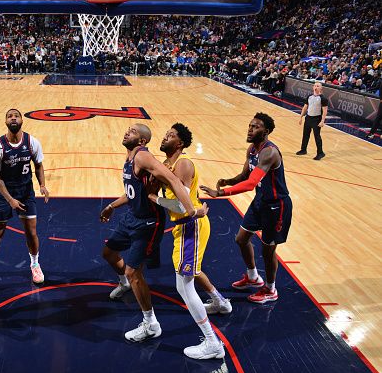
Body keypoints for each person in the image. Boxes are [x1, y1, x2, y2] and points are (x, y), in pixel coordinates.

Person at [99, 123, 208, 343]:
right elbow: (131, 193)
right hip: (132, 217)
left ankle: (151, 324)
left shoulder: (142, 157)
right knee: (109, 254)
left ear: (142, 141)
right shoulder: (130, 158)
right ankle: (125, 284)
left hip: (149, 223)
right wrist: (111, 206)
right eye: (127, 129)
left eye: (133, 131)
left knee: (133, 271)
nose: (127, 131)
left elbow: (174, 181)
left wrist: (191, 209)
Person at [148, 123, 228, 359]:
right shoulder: (167, 165)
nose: (164, 137)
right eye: (165, 134)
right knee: (193, 271)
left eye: (170, 136)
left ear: (180, 143)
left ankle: (212, 343)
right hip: (186, 227)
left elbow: (184, 207)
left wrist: (155, 198)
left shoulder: (183, 163)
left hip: (190, 225)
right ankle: (221, 303)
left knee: (183, 285)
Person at [200, 113, 292, 304]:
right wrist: (229, 181)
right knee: (241, 239)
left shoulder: (269, 152)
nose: (250, 129)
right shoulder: (252, 149)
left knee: (268, 250)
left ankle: (270, 289)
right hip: (260, 201)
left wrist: (222, 193)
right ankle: (252, 276)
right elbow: (245, 174)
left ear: (266, 131)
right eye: (250, 125)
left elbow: (250, 183)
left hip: (277, 206)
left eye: (255, 127)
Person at [0, 109, 49, 297]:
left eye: (16, 115)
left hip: (25, 191)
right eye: (9, 116)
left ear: (22, 120)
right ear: (5, 121)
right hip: (3, 193)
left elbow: (38, 165)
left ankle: (35, 265)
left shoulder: (32, 142)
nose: (13, 118)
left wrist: (42, 185)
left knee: (31, 232)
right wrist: (10, 200)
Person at [297, 82, 327, 160]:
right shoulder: (309, 96)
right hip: (308, 118)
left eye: (318, 86)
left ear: (321, 88)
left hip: (317, 119)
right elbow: (305, 107)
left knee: (317, 136)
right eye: (315, 86)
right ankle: (303, 150)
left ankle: (320, 153)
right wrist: (301, 117)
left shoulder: (323, 98)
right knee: (305, 135)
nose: (316, 87)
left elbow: (325, 111)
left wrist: (322, 121)